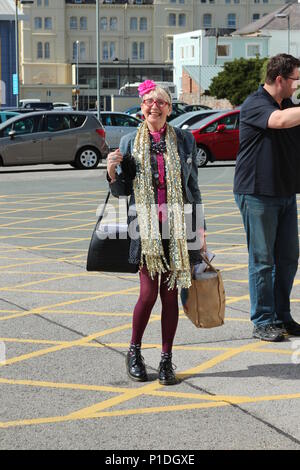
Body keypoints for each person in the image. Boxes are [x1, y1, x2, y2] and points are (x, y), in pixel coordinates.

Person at [107, 80, 205, 385]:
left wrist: (200, 231)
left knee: (170, 295)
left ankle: (166, 360)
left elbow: (193, 189)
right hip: (146, 225)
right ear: (141, 109)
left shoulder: (185, 141)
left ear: (170, 108)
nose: (154, 106)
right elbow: (122, 191)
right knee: (148, 294)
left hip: (178, 225)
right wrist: (111, 171)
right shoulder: (128, 143)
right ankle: (134, 352)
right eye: (149, 101)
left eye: (161, 101)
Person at [234, 54, 300, 342]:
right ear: (279, 79)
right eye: (295, 80)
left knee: (287, 258)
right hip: (257, 192)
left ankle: (281, 316)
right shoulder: (255, 104)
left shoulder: (288, 105)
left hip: (285, 193)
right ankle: (262, 320)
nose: (297, 86)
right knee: (262, 260)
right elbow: (280, 122)